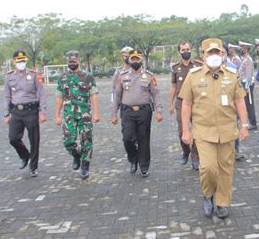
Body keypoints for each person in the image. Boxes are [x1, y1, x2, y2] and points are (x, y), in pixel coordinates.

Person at [179, 38, 250, 219]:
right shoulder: (193, 76)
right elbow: (186, 104)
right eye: (210, 52)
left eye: (217, 52)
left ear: (222, 54)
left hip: (227, 131)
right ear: (203, 56)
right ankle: (208, 193)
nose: (214, 55)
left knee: (226, 168)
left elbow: (240, 101)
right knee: (208, 168)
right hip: (203, 131)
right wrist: (186, 131)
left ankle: (222, 202)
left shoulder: (232, 75)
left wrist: (244, 125)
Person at [111, 49, 163, 177]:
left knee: (143, 139)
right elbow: (117, 95)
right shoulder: (122, 76)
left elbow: (155, 94)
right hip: (127, 112)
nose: (135, 61)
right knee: (127, 138)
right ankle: (133, 159)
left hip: (144, 111)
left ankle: (144, 166)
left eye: (137, 59)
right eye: (132, 59)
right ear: (129, 60)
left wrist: (159, 111)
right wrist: (113, 113)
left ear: (141, 60)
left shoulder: (149, 76)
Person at [55, 51, 100, 180]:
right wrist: (57, 115)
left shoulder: (87, 76)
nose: (72, 63)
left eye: (74, 61)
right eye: (70, 62)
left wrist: (96, 113)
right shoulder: (62, 77)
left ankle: (85, 165)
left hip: (84, 114)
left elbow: (94, 95)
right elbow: (59, 97)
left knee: (86, 141)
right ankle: (76, 155)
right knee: (68, 140)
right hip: (69, 114)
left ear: (79, 61)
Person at [3, 50, 47, 177]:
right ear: (14, 62)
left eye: (23, 61)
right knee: (13, 138)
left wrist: (42, 112)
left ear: (26, 61)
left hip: (31, 111)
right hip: (16, 112)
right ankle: (24, 156)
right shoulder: (9, 76)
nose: (21, 63)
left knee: (34, 139)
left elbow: (41, 93)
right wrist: (6, 114)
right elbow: (7, 96)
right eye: (19, 61)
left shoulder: (33, 75)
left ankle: (33, 166)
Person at [168, 42, 202, 169]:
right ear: (179, 52)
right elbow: (173, 87)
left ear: (191, 50)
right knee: (182, 131)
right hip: (181, 103)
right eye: (183, 50)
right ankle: (186, 151)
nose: (186, 51)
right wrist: (170, 104)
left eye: (188, 49)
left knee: (197, 131)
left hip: (197, 102)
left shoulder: (199, 65)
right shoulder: (176, 68)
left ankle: (195, 157)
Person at [238, 41, 257, 130]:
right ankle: (250, 121)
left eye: (243, 48)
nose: (241, 49)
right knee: (246, 103)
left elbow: (249, 75)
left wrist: (247, 87)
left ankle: (253, 123)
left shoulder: (248, 60)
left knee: (249, 104)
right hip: (244, 83)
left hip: (247, 84)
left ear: (246, 49)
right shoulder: (244, 59)